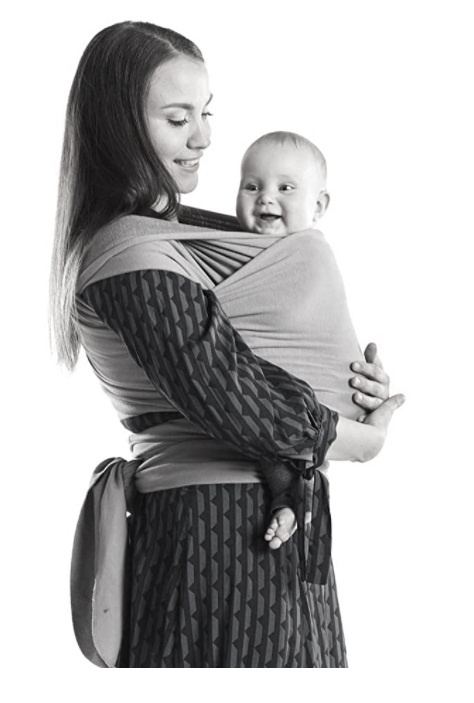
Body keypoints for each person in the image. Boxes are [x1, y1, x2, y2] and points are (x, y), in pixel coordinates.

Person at [50, 21, 404, 668]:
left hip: (272, 523)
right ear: (120, 126)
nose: (205, 138)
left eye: (206, 114)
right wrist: (365, 437)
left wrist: (350, 377)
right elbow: (236, 397)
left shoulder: (176, 235)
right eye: (178, 117)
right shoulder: (130, 255)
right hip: (213, 537)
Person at [234, 131, 366, 550]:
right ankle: (289, 503)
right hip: (270, 412)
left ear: (319, 205)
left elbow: (325, 326)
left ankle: (292, 499)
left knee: (280, 436)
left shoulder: (310, 254)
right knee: (271, 442)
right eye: (251, 186)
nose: (266, 198)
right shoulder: (229, 251)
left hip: (316, 408)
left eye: (285, 188)